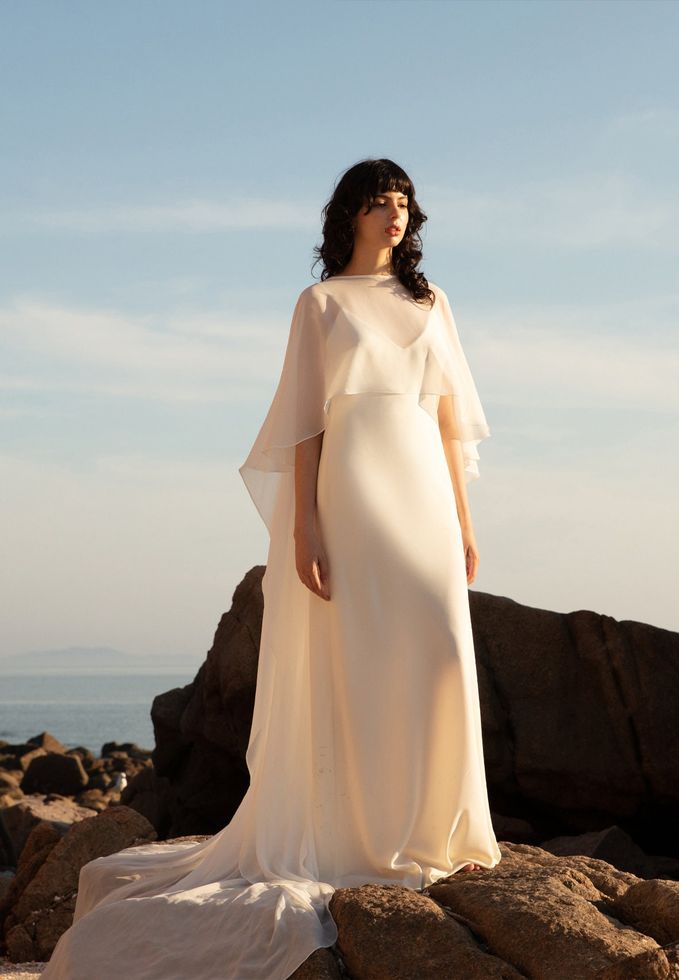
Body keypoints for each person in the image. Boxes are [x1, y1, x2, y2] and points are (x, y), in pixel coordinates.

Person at [40, 158, 502, 980]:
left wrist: (464, 525)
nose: (393, 214)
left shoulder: (432, 303)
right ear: (350, 216)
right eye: (377, 202)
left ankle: (441, 827)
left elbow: (446, 420)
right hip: (352, 486)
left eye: (402, 203)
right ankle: (362, 832)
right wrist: (305, 527)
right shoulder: (319, 304)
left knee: (438, 651)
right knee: (358, 656)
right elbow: (304, 424)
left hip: (425, 492)